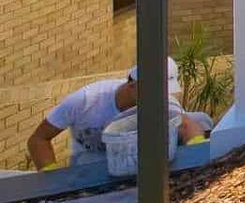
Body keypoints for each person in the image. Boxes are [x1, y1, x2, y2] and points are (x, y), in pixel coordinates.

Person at [24, 59, 208, 170]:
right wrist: (51, 177)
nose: (157, 96)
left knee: (201, 120)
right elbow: (38, 139)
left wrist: (197, 154)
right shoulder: (85, 101)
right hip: (92, 163)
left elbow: (186, 125)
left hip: (138, 161)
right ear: (132, 84)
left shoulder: (164, 102)